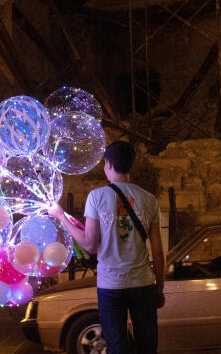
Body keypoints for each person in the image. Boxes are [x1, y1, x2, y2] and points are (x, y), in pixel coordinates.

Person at [49, 141, 165, 354]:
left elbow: (89, 244)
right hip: (143, 284)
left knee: (117, 347)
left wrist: (60, 217)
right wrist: (159, 288)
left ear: (109, 163)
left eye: (104, 163)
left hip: (111, 286)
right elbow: (157, 251)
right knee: (147, 347)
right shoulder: (149, 199)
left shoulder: (97, 197)